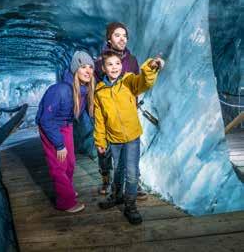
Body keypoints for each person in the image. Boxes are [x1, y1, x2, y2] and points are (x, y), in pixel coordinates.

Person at [94, 50, 164, 225]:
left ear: (122, 65)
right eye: (110, 64)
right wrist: (100, 141)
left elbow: (144, 82)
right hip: (114, 139)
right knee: (118, 170)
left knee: (131, 173)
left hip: (132, 137)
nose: (114, 67)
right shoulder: (100, 91)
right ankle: (116, 196)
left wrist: (150, 67)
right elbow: (100, 119)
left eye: (117, 63)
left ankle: (130, 206)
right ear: (103, 67)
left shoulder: (129, 80)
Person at [36, 51, 95, 213]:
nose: (88, 70)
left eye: (91, 67)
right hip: (51, 126)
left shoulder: (84, 90)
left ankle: (66, 190)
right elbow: (45, 120)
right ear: (76, 69)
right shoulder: (60, 90)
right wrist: (59, 144)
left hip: (66, 125)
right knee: (59, 166)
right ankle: (65, 201)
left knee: (70, 163)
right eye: (83, 66)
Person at [95, 22, 147, 199]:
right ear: (109, 39)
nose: (122, 39)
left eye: (124, 35)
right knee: (109, 156)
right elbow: (97, 90)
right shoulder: (99, 62)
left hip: (127, 114)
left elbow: (137, 84)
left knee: (131, 158)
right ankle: (106, 179)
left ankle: (133, 184)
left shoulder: (131, 60)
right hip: (108, 116)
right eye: (117, 35)